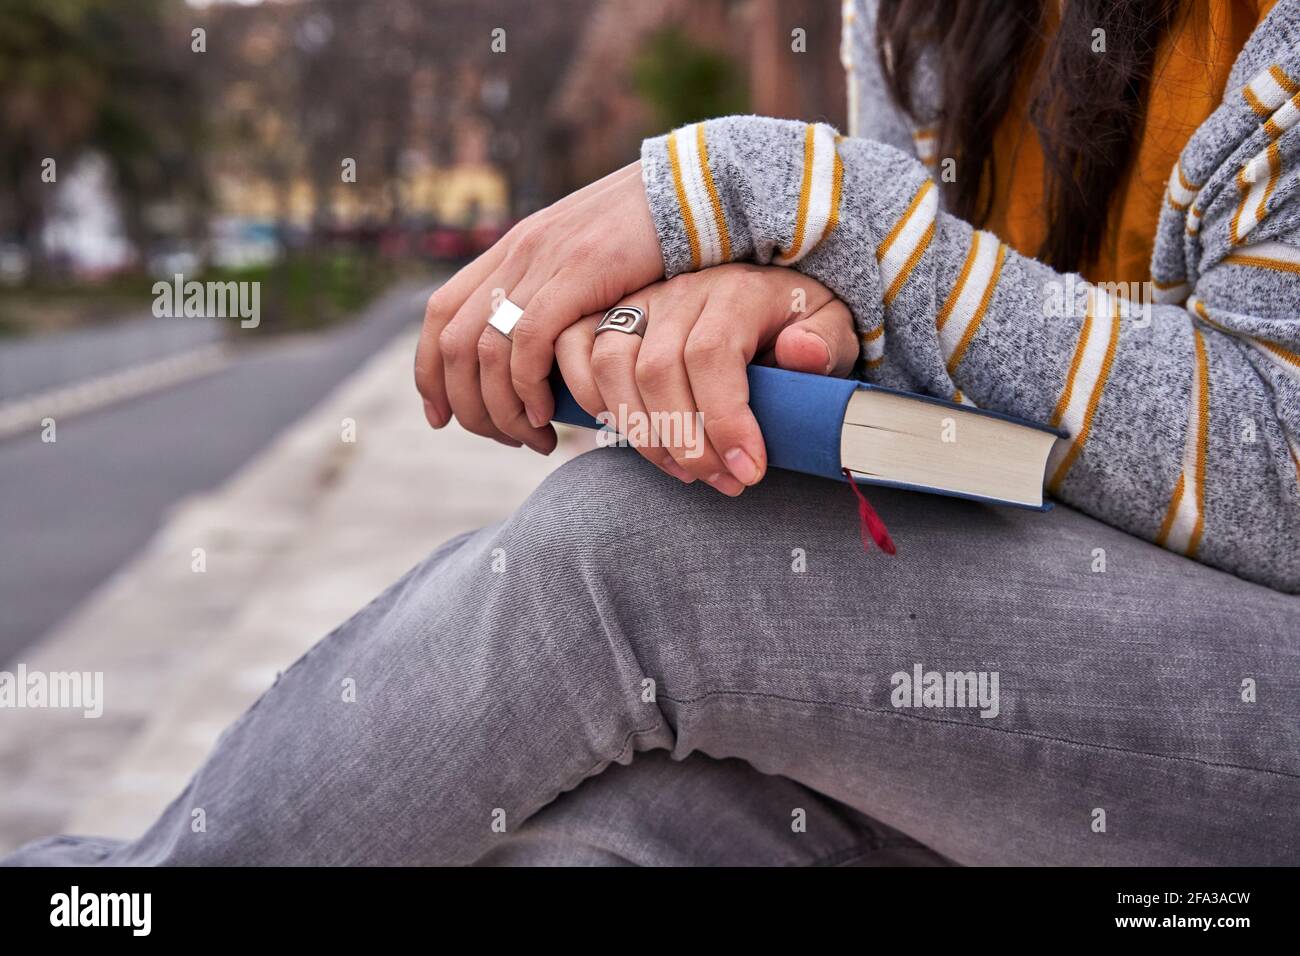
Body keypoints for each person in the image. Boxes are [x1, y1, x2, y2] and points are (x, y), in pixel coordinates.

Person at [7, 0, 1298, 867]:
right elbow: (945, 319)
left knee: (644, 555)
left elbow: (1272, 469)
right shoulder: (921, 18)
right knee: (610, 836)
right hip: (1040, 626)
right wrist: (802, 307)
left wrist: (794, 199)